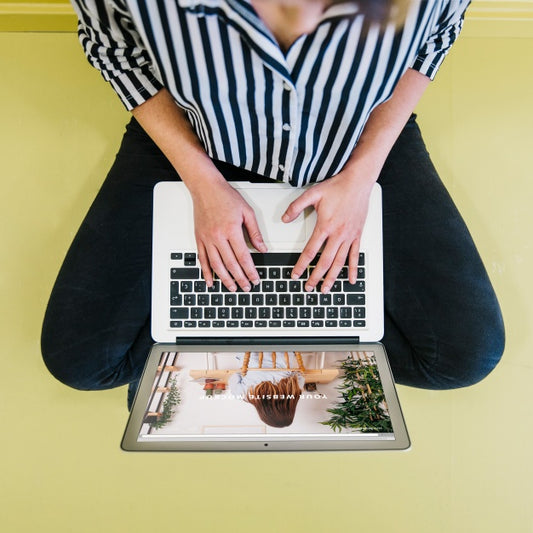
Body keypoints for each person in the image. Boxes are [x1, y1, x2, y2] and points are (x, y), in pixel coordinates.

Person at [41, 0, 505, 409]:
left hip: (358, 134)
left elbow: (437, 34)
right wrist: (201, 182)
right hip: (196, 135)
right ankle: (272, 331)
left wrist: (362, 176)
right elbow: (115, 48)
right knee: (80, 362)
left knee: (465, 356)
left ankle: (243, 335)